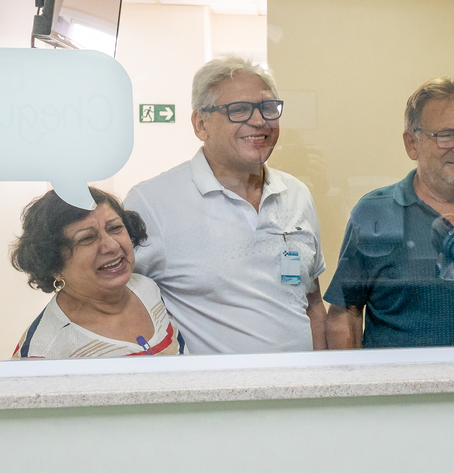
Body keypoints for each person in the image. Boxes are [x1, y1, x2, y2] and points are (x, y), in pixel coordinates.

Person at [123, 55, 327, 354]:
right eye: (239, 109)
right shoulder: (152, 202)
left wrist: (322, 374)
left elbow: (312, 302)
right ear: (200, 124)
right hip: (212, 385)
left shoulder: (296, 193)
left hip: (301, 382)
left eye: (268, 108)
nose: (259, 121)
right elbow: (113, 303)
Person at [324, 78, 454, 348]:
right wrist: (352, 373)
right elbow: (345, 312)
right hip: (398, 376)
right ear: (412, 143)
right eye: (446, 135)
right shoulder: (373, 213)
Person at [10, 188, 186, 359]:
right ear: (53, 263)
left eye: (115, 228)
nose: (112, 246)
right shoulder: (44, 350)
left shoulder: (147, 289)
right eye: (87, 238)